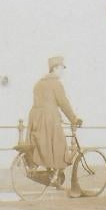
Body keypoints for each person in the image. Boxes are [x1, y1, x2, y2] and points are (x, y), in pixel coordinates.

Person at [27, 55, 82, 189]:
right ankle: (54, 177)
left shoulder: (38, 83)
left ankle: (51, 174)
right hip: (49, 119)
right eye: (61, 68)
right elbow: (63, 103)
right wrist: (74, 119)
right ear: (55, 68)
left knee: (44, 146)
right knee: (60, 146)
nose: (62, 71)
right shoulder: (56, 83)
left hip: (36, 118)